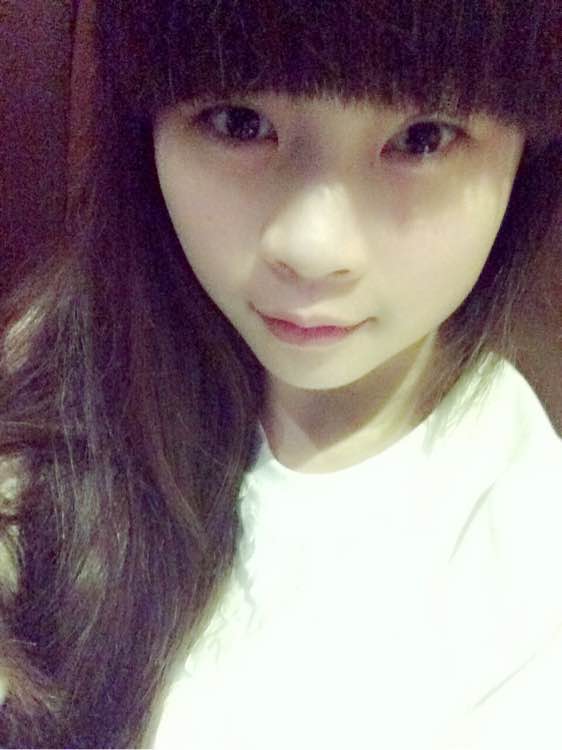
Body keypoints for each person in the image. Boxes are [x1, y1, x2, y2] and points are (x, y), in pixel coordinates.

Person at [0, 0, 560, 746]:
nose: (312, 247)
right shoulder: (53, 369)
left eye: (422, 137)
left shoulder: (527, 572)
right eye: (239, 122)